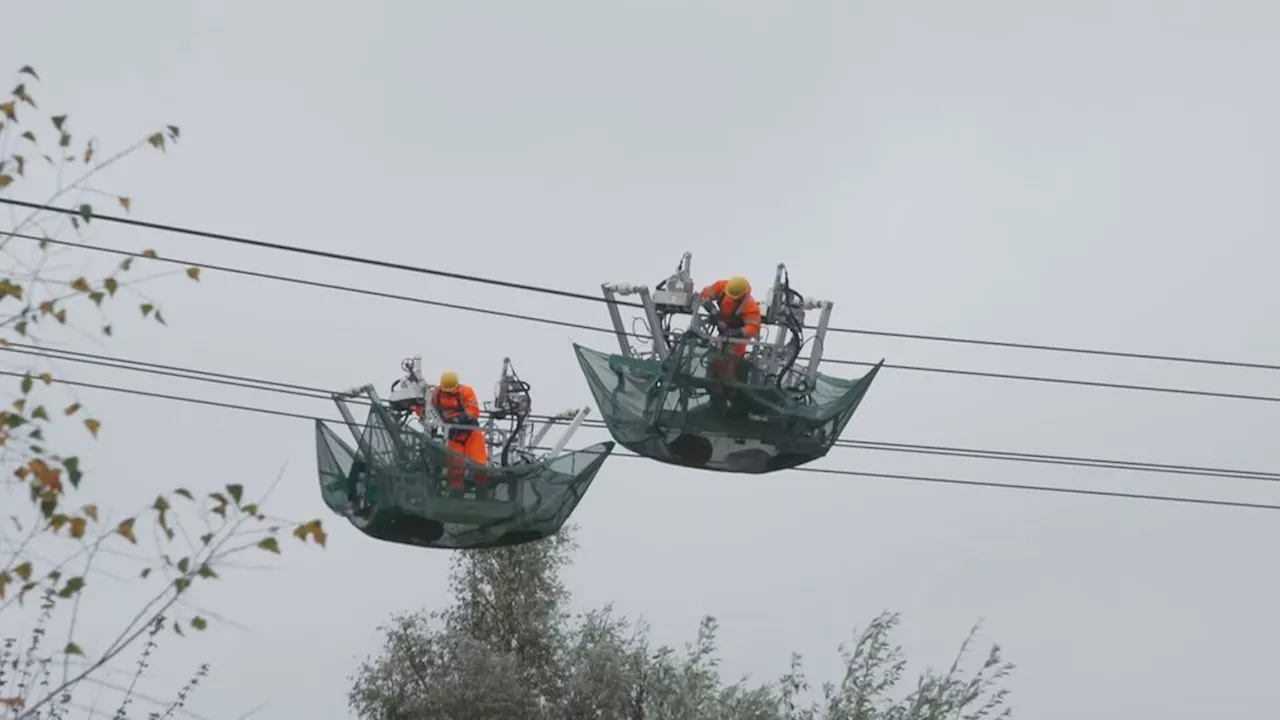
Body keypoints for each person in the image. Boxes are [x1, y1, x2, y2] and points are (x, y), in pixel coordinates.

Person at [425, 370, 488, 491]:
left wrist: (457, 420)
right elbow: (426, 409)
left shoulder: (466, 392)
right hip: (453, 435)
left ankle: (482, 491)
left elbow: (473, 411)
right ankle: (456, 492)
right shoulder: (435, 394)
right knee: (455, 465)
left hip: (471, 433)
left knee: (479, 464)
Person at [699, 275, 761, 385]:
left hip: (737, 337)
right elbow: (704, 295)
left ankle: (729, 387)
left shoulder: (750, 305)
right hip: (721, 329)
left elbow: (753, 327)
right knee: (715, 359)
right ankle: (714, 384)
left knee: (731, 363)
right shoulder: (721, 286)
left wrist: (733, 333)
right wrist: (714, 312)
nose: (730, 298)